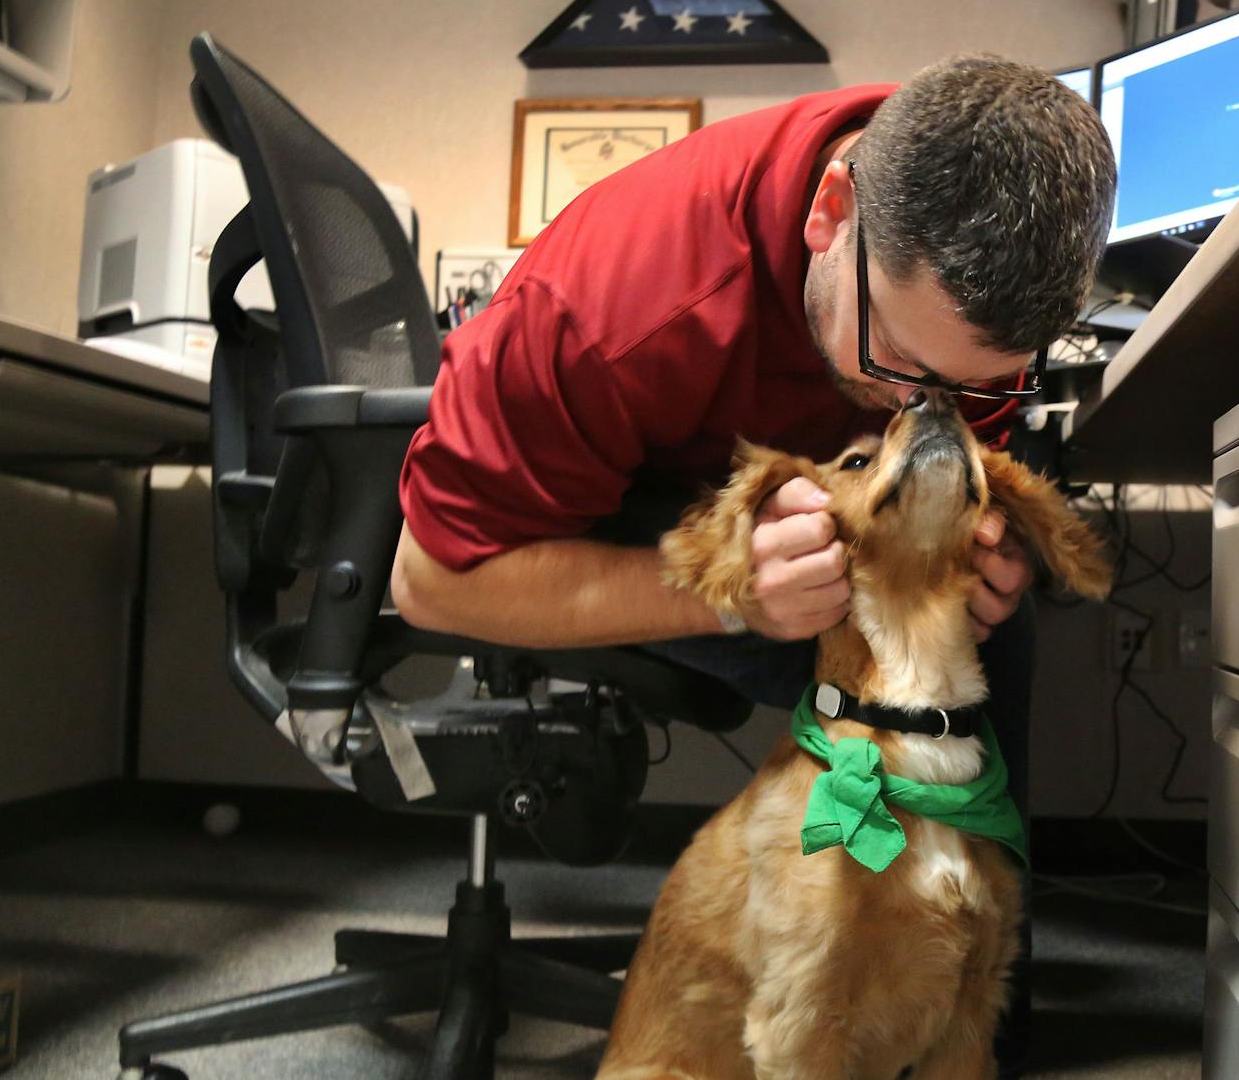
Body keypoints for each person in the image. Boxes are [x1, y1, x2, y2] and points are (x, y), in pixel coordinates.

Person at [391, 53, 1116, 1074]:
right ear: (829, 213)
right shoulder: (608, 309)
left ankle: (966, 996)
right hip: (609, 526)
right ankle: (818, 961)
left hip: (808, 512)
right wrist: (732, 599)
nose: (928, 404)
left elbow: (951, 420)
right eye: (901, 366)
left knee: (1009, 633)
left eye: (974, 384)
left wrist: (986, 559)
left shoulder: (950, 290)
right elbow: (427, 579)